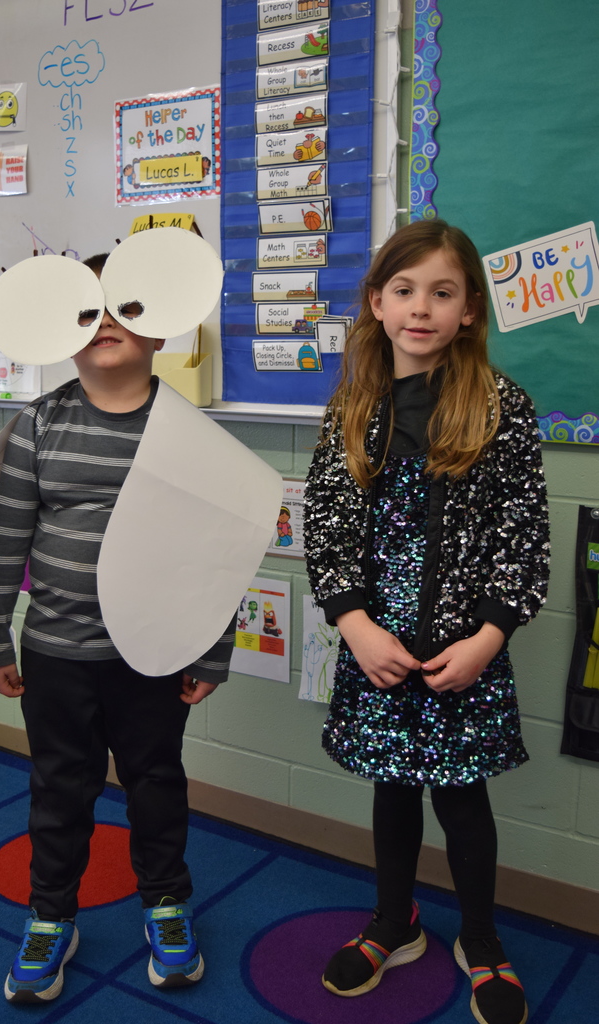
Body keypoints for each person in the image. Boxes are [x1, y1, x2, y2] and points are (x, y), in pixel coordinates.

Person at [303, 220, 549, 1024]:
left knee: (463, 800)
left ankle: (479, 938)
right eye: (403, 291)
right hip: (377, 646)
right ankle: (393, 922)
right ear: (376, 302)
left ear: (469, 309)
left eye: (442, 292)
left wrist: (487, 637)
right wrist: (356, 626)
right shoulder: (352, 406)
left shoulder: (501, 408)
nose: (421, 308)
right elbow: (327, 528)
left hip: (463, 652)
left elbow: (523, 536)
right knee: (393, 789)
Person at [0, 252, 236, 1004]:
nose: (106, 323)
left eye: (124, 306)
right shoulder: (37, 424)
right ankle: (51, 915)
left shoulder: (186, 432)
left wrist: (211, 650)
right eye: (86, 309)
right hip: (56, 653)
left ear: (161, 331)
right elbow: (9, 539)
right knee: (60, 789)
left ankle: (164, 902)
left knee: (155, 782)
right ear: (63, 327)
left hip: (152, 652)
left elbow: (212, 555)